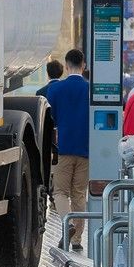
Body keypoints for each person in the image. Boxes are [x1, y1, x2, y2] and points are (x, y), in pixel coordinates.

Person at [43, 48, 89, 250]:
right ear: (84, 65)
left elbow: (50, 119)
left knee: (60, 192)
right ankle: (77, 240)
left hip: (62, 148)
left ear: (67, 66)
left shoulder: (55, 90)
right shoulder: (91, 89)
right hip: (86, 149)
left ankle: (67, 223)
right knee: (79, 194)